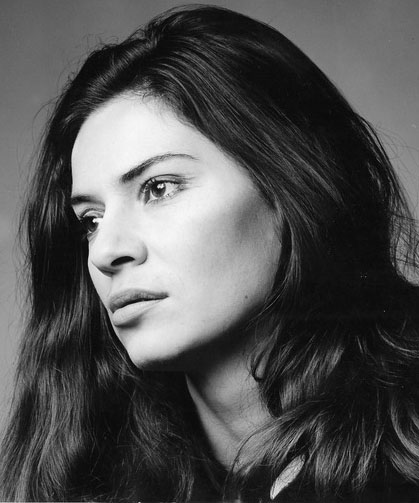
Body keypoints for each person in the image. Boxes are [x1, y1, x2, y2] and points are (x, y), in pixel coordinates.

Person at [1, 5, 419, 502]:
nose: (106, 252)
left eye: (159, 188)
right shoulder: (94, 474)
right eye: (91, 220)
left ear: (290, 186)